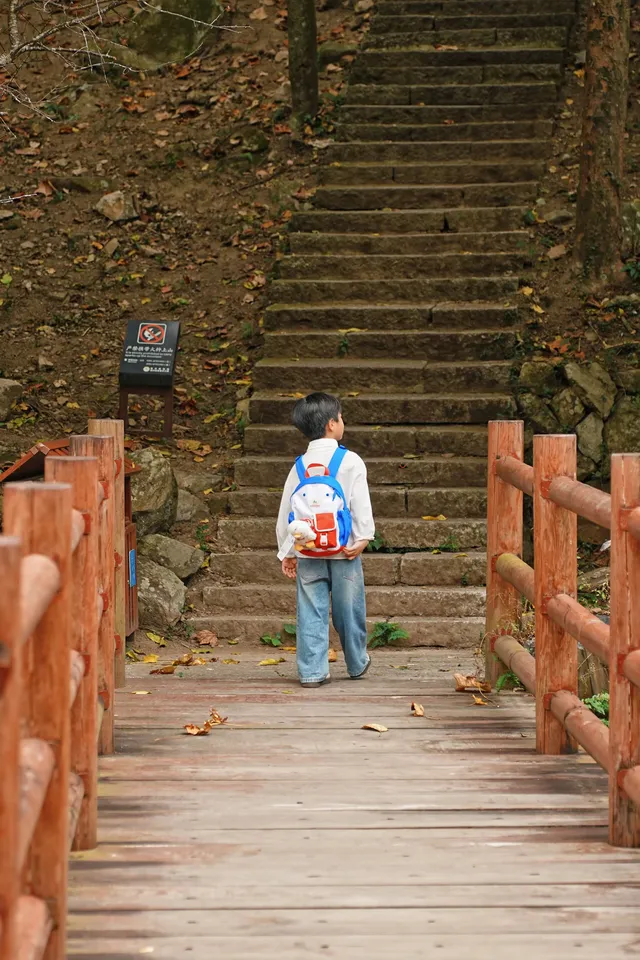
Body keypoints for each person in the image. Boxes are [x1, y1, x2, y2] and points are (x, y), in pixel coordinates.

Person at [276, 392, 375, 687]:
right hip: (344, 548)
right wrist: (363, 537)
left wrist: (288, 550)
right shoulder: (350, 461)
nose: (342, 421)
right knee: (349, 609)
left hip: (307, 550)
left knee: (310, 610)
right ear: (332, 424)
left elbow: (287, 509)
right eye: (341, 416)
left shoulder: (300, 465)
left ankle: (312, 671)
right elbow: (359, 503)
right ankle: (357, 663)